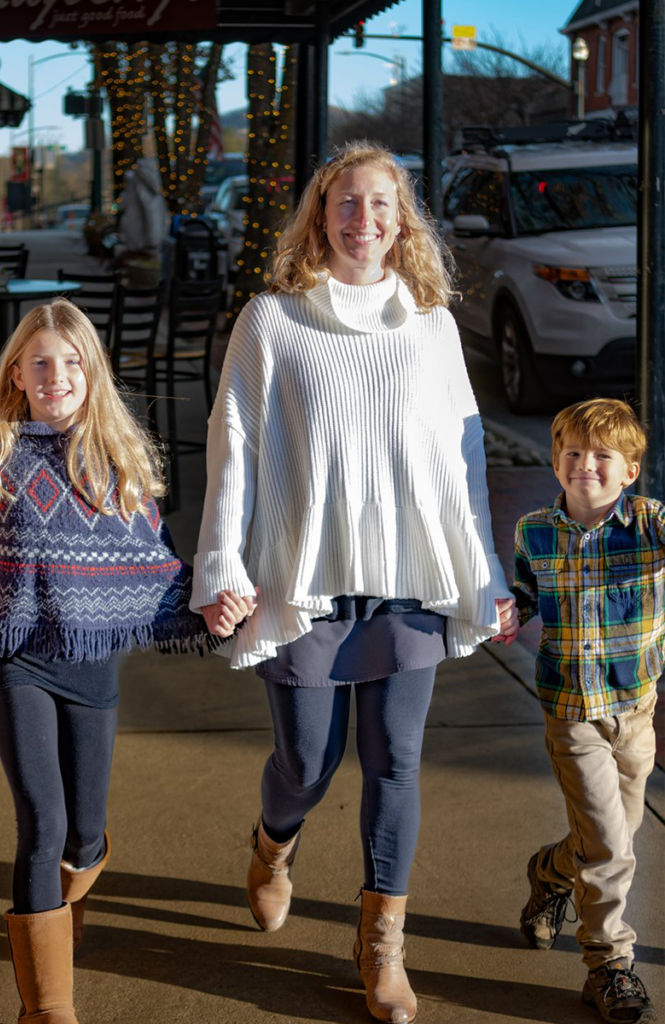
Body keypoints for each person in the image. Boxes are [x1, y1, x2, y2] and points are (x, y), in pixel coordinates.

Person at [189, 141, 517, 1024]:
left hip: (407, 575)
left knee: (395, 761)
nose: (363, 219)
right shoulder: (272, 318)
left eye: (380, 204)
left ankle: (382, 950)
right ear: (319, 216)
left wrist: (483, 571)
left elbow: (463, 457)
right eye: (345, 202)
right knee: (306, 761)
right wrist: (221, 564)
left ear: (400, 219)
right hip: (305, 576)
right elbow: (238, 451)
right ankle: (272, 845)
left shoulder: (431, 323)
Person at [0, 299, 211, 1024]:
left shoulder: (116, 463)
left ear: (92, 372)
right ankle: (47, 1010)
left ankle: (71, 897)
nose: (57, 374)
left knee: (83, 833)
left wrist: (212, 608)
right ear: (16, 373)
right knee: (41, 822)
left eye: (72, 362)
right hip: (17, 663)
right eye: (41, 361)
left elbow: (156, 570)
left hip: (91, 667)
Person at [511, 398, 658, 1024]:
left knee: (617, 836)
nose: (585, 465)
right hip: (570, 712)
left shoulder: (649, 524)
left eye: (603, 456)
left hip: (636, 710)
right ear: (555, 461)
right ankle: (608, 965)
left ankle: (549, 871)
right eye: (573, 452)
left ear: (630, 472)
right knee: (608, 846)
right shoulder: (534, 531)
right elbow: (521, 596)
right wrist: (503, 614)